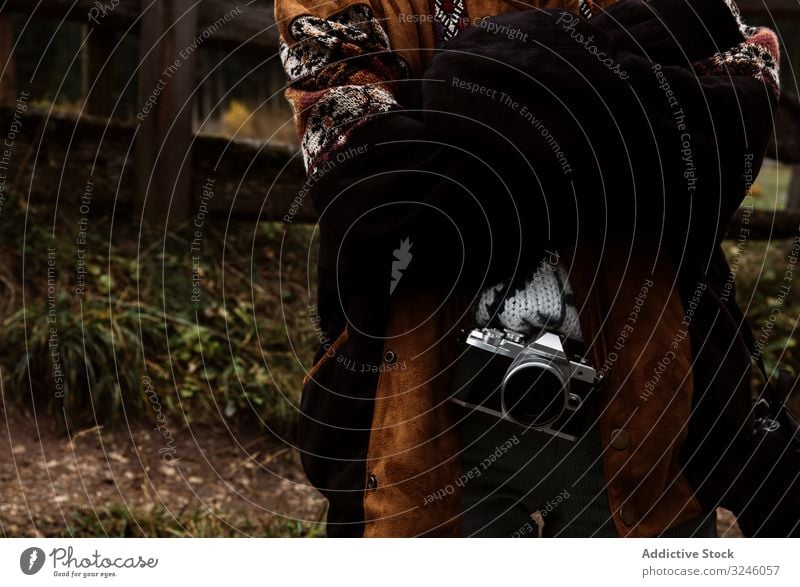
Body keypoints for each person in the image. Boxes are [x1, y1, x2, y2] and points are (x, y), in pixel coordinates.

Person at [276, 0, 784, 536]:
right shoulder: (337, 7)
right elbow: (381, 203)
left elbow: (717, 150)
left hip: (643, 401)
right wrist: (600, 129)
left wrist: (484, 65)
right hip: (417, 413)